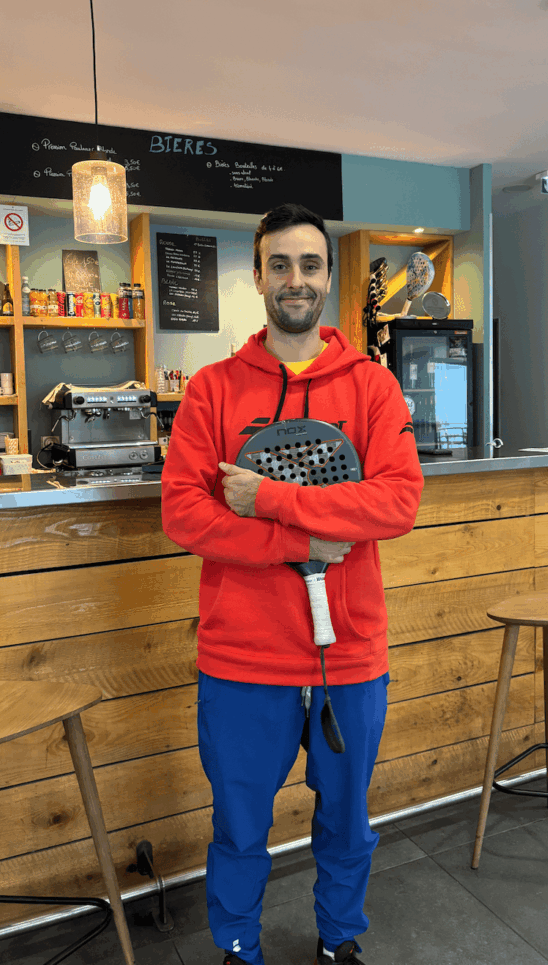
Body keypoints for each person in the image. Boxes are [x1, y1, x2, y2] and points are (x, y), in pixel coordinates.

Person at [161, 203, 423, 965]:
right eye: (279, 264)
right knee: (240, 825)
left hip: (350, 655)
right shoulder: (212, 390)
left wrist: (269, 499)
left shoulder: (372, 387)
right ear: (258, 276)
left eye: (309, 265)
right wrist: (303, 540)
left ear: (328, 277)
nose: (295, 279)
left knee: (347, 821)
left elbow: (396, 501)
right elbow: (184, 514)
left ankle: (339, 941)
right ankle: (238, 945)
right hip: (243, 656)